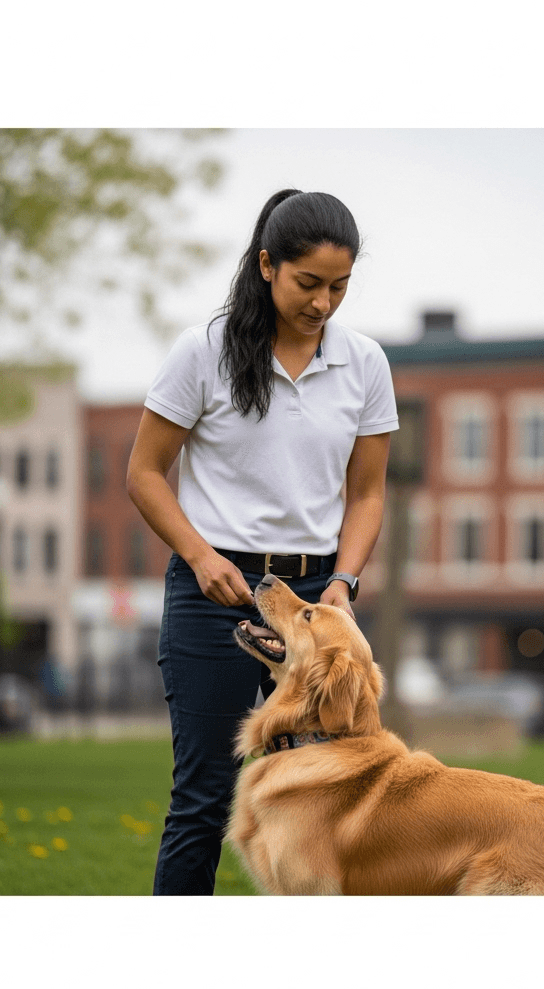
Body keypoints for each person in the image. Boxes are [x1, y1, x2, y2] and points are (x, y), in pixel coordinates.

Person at [126, 188, 399, 895]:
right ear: (268, 265)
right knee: (204, 799)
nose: (324, 303)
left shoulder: (365, 364)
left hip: (315, 599)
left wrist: (346, 581)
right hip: (214, 596)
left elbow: (367, 493)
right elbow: (145, 474)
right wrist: (199, 554)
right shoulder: (204, 352)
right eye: (309, 284)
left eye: (339, 287)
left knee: (331, 795)